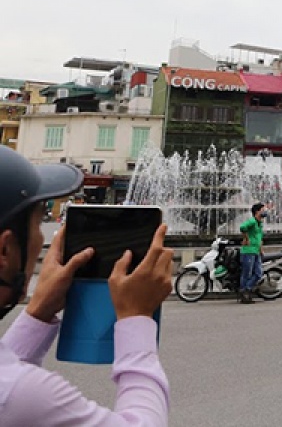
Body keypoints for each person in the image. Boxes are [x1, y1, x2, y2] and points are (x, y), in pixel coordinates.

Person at [0, 145, 173, 425]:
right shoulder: (26, 395)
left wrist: (38, 313)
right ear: (5, 251)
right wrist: (137, 317)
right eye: (38, 221)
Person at [239, 202, 266, 304]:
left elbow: (260, 238)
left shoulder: (260, 224)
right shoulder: (252, 221)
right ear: (257, 212)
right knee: (246, 273)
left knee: (259, 273)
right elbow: (242, 227)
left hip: (256, 252)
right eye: (263, 210)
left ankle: (247, 289)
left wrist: (261, 249)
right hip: (248, 251)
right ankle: (244, 294)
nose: (265, 212)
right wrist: (246, 238)